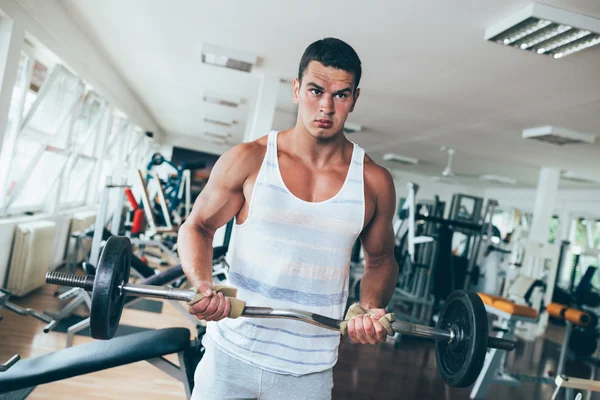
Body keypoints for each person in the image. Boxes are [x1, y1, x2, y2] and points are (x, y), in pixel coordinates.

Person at [178, 37, 399, 400]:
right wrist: (204, 284)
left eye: (341, 95)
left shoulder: (373, 181)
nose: (325, 107)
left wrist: (371, 306)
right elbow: (197, 227)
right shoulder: (249, 159)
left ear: (355, 99)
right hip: (232, 354)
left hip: (309, 371)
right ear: (296, 89)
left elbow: (381, 259)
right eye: (315, 90)